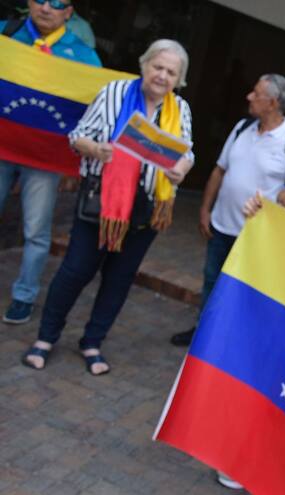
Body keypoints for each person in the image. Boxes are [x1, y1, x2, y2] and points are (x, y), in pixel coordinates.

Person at [21, 39, 194, 376]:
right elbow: (78, 136)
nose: (162, 76)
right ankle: (45, 338)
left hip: (146, 209)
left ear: (178, 79)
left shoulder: (181, 109)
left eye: (171, 72)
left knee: (118, 279)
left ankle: (92, 342)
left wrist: (181, 168)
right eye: (157, 67)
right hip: (101, 201)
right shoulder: (114, 92)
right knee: (75, 271)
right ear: (144, 65)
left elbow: (186, 152)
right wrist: (97, 149)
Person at [169, 74, 285, 348]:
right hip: (221, 225)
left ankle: (227, 345)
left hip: (254, 237)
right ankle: (203, 333)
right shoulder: (242, 127)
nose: (249, 97)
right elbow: (220, 170)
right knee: (212, 282)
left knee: (241, 292)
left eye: (255, 94)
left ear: (272, 102)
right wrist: (205, 209)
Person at [0, 0, 101, 324]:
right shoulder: (7, 34)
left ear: (69, 12)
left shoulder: (83, 54)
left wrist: (75, 160)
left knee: (36, 231)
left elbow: (94, 107)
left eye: (57, 3)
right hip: (2, 147)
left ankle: (24, 296)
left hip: (44, 159)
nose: (46, 8)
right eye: (40, 0)